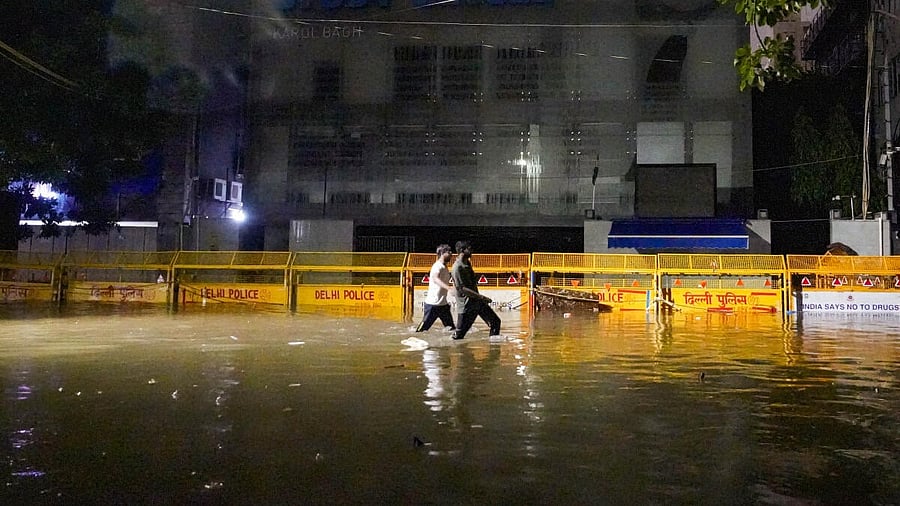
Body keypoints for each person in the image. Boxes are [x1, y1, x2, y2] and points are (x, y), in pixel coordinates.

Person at [450, 240, 501, 340]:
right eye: (469, 248)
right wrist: (482, 297)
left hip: (477, 302)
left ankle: (494, 350)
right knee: (458, 337)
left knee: (495, 322)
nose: (472, 250)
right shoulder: (457, 267)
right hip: (466, 306)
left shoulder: (467, 263)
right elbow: (461, 288)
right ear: (462, 250)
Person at [416, 244, 456, 333]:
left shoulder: (445, 267)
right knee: (421, 331)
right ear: (442, 253)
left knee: (451, 329)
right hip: (432, 305)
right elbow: (435, 278)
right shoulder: (437, 266)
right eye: (449, 252)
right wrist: (448, 288)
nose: (451, 254)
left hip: (443, 305)